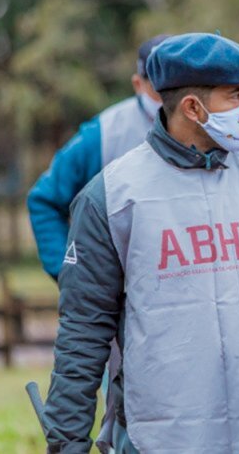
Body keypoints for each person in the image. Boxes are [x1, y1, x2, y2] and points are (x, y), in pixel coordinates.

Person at [42, 33, 239, 454]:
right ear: (192, 108)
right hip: (162, 435)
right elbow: (84, 329)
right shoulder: (112, 195)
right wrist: (67, 442)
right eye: (235, 96)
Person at [28, 34, 170, 279]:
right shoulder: (104, 134)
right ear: (138, 84)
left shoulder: (220, 128)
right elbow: (45, 201)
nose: (169, 96)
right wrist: (68, 274)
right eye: (159, 87)